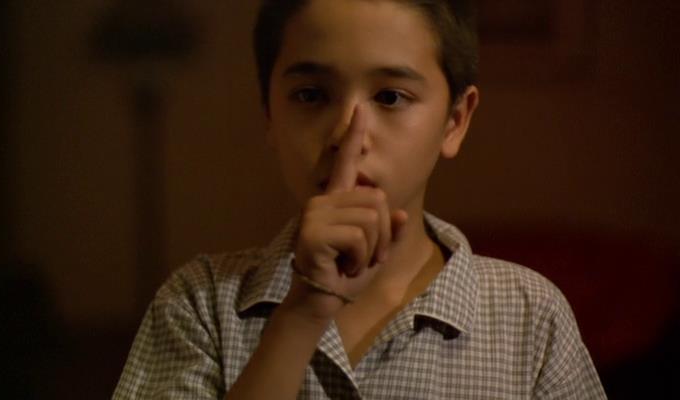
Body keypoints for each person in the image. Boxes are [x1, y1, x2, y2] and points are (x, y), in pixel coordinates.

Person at [113, 0, 607, 398]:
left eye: (390, 97)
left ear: (455, 120)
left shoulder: (529, 317)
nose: (348, 134)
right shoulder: (199, 303)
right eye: (311, 95)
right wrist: (302, 314)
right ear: (269, 114)